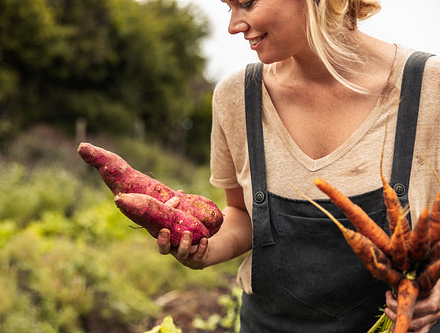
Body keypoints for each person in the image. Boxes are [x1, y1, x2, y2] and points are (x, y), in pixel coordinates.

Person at [157, 0, 440, 331]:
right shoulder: (236, 98)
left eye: (246, 3)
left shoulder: (429, 89)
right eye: (228, 7)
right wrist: (204, 249)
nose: (233, 26)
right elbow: (243, 215)